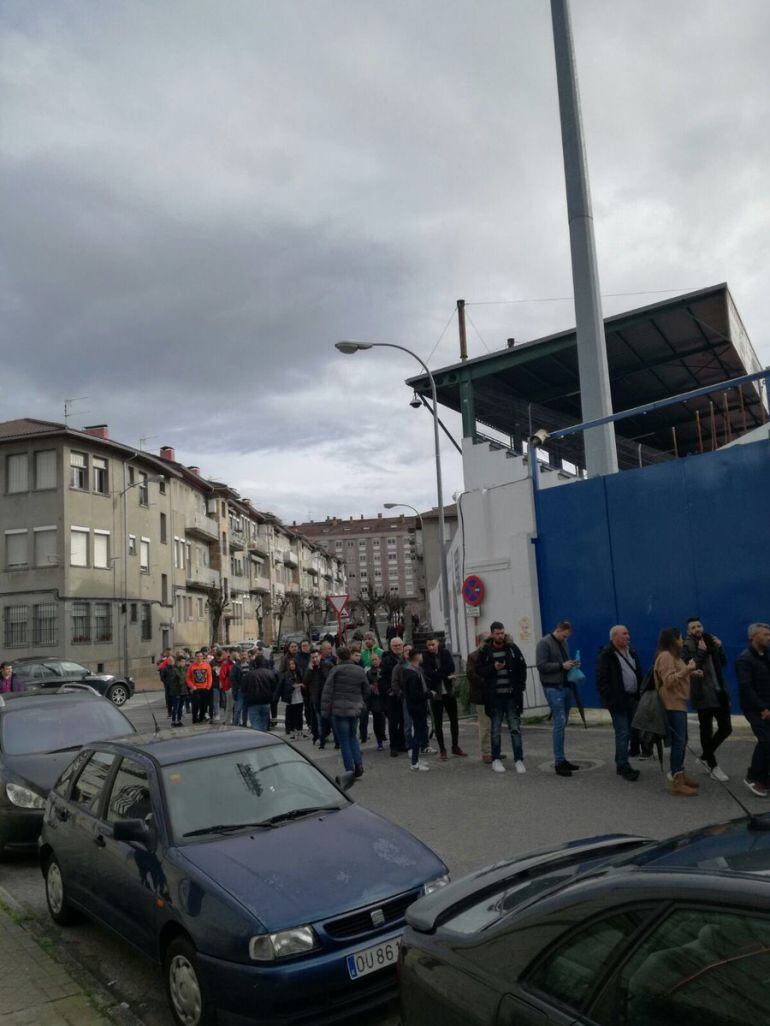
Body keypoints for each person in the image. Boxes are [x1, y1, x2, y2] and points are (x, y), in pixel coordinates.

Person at [682, 618, 731, 781]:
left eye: (699, 626)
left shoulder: (710, 640)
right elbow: (689, 666)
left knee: (726, 728)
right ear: (688, 631)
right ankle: (713, 766)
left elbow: (723, 663)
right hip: (702, 694)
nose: (697, 629)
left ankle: (704, 755)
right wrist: (701, 652)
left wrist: (720, 647)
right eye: (693, 627)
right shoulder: (687, 645)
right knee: (706, 730)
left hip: (719, 692)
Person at [654, 627, 699, 797]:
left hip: (679, 703)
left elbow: (677, 675)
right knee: (679, 742)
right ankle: (676, 781)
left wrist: (691, 672)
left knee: (682, 740)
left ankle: (679, 773)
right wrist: (686, 670)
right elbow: (669, 681)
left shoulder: (673, 656)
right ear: (673, 640)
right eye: (680, 638)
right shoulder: (665, 656)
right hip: (671, 705)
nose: (682, 641)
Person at [478, 621, 527, 774]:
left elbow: (522, 667)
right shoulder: (485, 650)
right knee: (495, 729)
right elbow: (479, 671)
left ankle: (519, 759)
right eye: (498, 633)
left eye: (502, 633)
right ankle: (496, 759)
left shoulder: (512, 648)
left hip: (511, 696)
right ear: (492, 634)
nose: (501, 636)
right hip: (495, 698)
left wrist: (520, 687)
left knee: (515, 729)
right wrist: (493, 668)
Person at [596, 625, 644, 782]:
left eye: (628, 633)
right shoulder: (607, 655)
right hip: (618, 701)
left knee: (629, 731)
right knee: (623, 732)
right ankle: (623, 765)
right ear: (614, 637)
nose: (627, 636)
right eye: (624, 634)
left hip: (632, 698)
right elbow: (602, 680)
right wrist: (611, 698)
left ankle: (621, 761)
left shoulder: (631, 651)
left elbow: (638, 673)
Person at [536, 620, 581, 777]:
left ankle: (562, 759)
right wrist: (561, 666)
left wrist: (573, 664)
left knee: (563, 723)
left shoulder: (564, 643)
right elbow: (541, 665)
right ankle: (559, 762)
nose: (566, 638)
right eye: (565, 635)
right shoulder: (544, 643)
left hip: (566, 686)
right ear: (559, 630)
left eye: (568, 636)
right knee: (559, 724)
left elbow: (564, 662)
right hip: (553, 687)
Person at [320, 646, 369, 778]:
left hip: (339, 709)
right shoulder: (359, 670)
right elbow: (366, 689)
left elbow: (327, 692)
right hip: (354, 708)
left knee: (344, 740)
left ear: (338, 657)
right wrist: (361, 702)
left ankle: (349, 769)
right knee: (353, 736)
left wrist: (325, 712)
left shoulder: (335, 670)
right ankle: (359, 764)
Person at [736, 623, 770, 798]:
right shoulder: (745, 659)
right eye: (765, 634)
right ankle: (753, 777)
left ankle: (764, 778)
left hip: (767, 706)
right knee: (766, 741)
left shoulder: (765, 656)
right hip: (754, 708)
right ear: (753, 637)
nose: (768, 637)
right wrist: (762, 708)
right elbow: (746, 688)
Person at [423, 637, 466, 760]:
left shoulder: (445, 653)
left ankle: (455, 746)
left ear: (437, 644)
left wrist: (438, 671)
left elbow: (451, 667)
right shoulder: (425, 656)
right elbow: (428, 673)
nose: (431, 647)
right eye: (429, 645)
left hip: (448, 692)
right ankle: (442, 749)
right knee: (438, 723)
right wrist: (444, 675)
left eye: (433, 644)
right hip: (436, 694)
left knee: (454, 720)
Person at [403, 649, 434, 772]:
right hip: (417, 707)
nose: (422, 657)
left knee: (419, 733)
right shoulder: (411, 674)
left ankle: (416, 759)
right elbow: (414, 694)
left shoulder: (415, 671)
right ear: (417, 657)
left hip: (418, 706)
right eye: (421, 655)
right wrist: (428, 694)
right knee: (418, 734)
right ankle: (414, 762)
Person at [467, 636, 492, 763]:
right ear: (480, 642)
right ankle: (486, 752)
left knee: (493, 725)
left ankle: (494, 750)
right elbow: (471, 674)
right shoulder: (473, 656)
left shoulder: (492, 654)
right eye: (486, 641)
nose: (488, 644)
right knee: (485, 725)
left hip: (493, 695)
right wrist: (486, 682)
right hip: (481, 695)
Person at [381, 637, 406, 757]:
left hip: (404, 694)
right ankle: (393, 746)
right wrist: (389, 691)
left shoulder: (405, 658)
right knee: (393, 721)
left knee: (403, 720)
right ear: (391, 647)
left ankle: (402, 743)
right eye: (395, 646)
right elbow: (384, 678)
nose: (398, 647)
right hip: (392, 696)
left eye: (399, 645)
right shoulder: (387, 660)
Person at [243, 655, 279, 731]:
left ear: (255, 663)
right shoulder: (270, 673)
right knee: (264, 725)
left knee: (256, 724)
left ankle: (258, 740)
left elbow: (244, 688)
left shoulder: (249, 674)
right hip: (266, 701)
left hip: (253, 702)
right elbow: (274, 687)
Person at [365, 653, 388, 751]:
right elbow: (366, 685)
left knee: (383, 718)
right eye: (373, 660)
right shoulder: (369, 672)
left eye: (376, 659)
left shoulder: (384, 670)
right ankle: (379, 741)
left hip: (385, 697)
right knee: (377, 719)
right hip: (375, 698)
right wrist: (371, 687)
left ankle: (383, 735)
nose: (374, 661)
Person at [281, 657, 305, 740]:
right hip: (291, 698)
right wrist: (299, 685)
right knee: (293, 716)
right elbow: (289, 686)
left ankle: (300, 732)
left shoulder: (299, 673)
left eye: (293, 664)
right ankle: (293, 732)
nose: (292, 665)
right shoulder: (286, 674)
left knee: (299, 715)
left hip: (300, 698)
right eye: (290, 664)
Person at [303, 650, 324, 744]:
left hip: (325, 698)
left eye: (316, 657)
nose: (315, 659)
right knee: (317, 720)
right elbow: (305, 682)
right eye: (313, 658)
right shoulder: (309, 669)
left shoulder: (325, 666)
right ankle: (319, 738)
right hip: (315, 699)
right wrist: (310, 670)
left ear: (320, 656)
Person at [186, 651, 213, 724]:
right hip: (195, 688)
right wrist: (192, 686)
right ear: (195, 657)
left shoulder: (207, 665)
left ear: (203, 657)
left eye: (200, 656)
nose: (199, 658)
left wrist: (208, 686)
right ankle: (194, 719)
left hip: (205, 688)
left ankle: (201, 718)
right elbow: (188, 678)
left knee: (204, 705)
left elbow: (210, 677)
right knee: (195, 705)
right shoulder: (191, 666)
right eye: (197, 656)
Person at [169, 654, 189, 727]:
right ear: (178, 662)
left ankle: (179, 720)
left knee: (180, 707)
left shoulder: (184, 669)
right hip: (176, 692)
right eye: (182, 662)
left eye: (184, 661)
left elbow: (186, 679)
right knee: (176, 707)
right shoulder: (174, 670)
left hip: (183, 691)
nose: (184, 663)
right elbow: (172, 681)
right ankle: (173, 721)